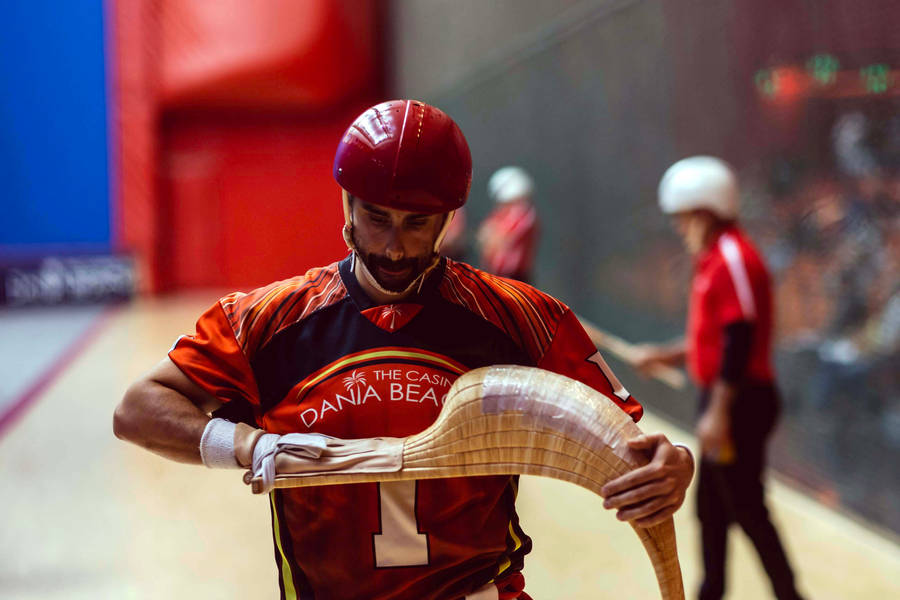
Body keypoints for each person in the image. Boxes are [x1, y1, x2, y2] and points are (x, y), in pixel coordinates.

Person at [113, 100, 693, 600]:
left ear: (448, 218)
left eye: (417, 224)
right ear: (347, 207)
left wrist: (673, 465)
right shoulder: (265, 320)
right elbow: (138, 409)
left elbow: (636, 446)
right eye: (376, 218)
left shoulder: (520, 318)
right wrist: (246, 444)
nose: (394, 246)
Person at [633, 156, 805, 600]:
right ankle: (713, 592)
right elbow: (715, 337)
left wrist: (719, 412)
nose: (678, 227)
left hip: (740, 403)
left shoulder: (732, 255)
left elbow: (742, 332)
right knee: (712, 508)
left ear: (703, 212)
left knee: (746, 507)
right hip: (724, 400)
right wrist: (667, 356)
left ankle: (789, 594)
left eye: (682, 218)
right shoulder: (715, 259)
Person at [476, 166, 539, 283]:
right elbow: (484, 239)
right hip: (495, 276)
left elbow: (497, 239)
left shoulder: (524, 213)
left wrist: (492, 236)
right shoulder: (500, 214)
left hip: (514, 278)